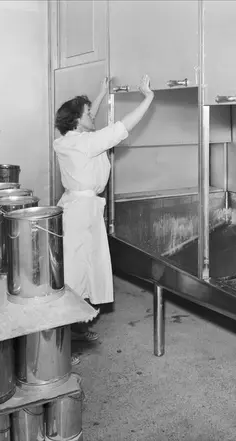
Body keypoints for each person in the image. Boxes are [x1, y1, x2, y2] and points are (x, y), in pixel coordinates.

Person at [54, 74, 155, 365]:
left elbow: (88, 118)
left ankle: (74, 331)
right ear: (77, 120)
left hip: (80, 210)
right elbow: (123, 127)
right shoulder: (86, 143)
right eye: (88, 113)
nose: (93, 116)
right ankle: (61, 349)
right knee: (75, 276)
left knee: (81, 272)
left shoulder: (68, 140)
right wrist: (148, 97)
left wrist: (99, 93)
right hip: (81, 215)